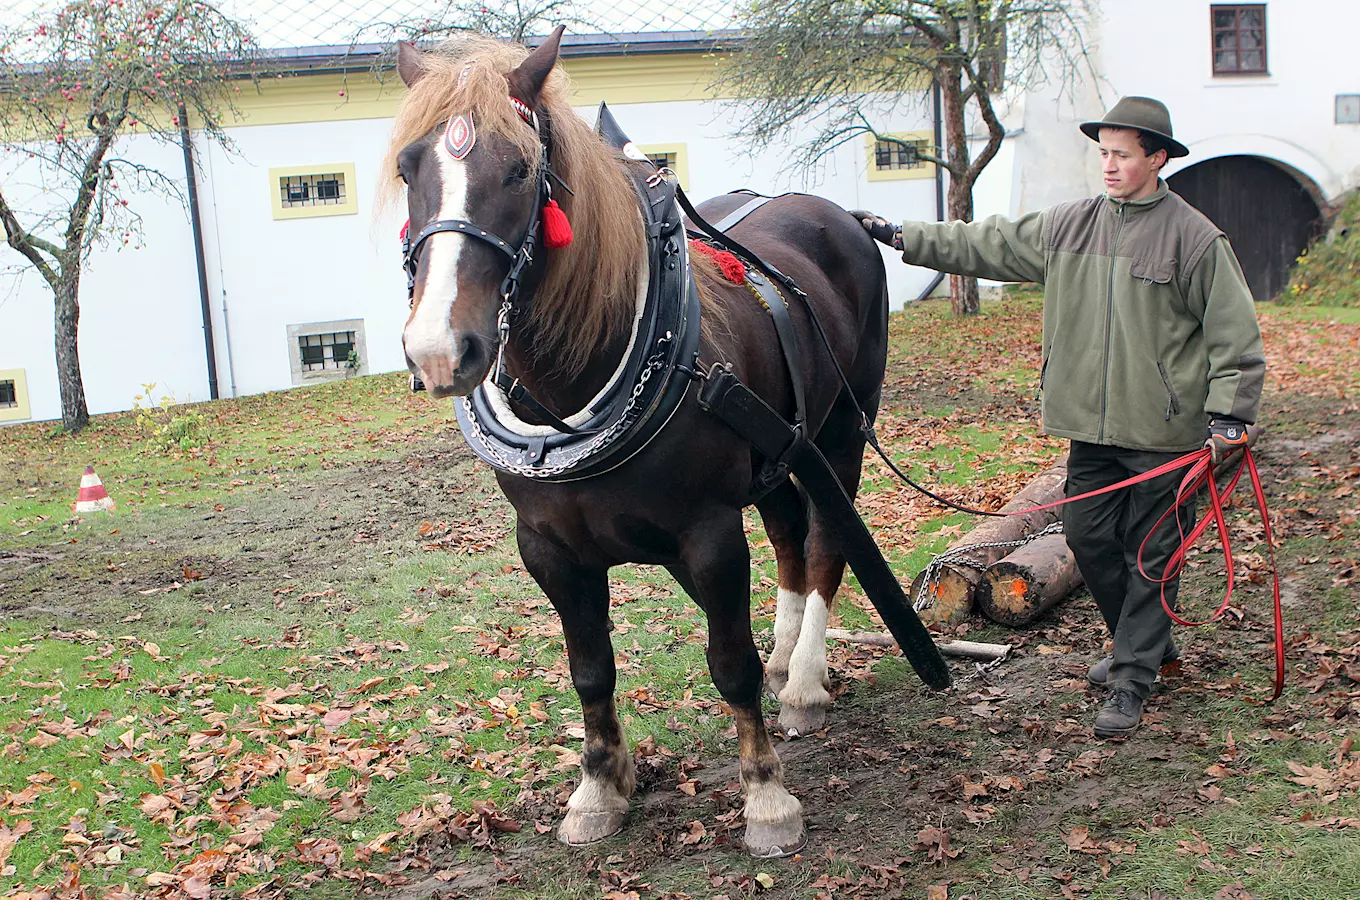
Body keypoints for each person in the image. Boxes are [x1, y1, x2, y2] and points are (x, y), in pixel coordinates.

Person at [851, 96, 1265, 739]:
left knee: (1153, 556)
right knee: (1089, 538)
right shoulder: (1071, 225)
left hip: (1166, 433)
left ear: (1156, 159)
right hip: (1090, 430)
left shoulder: (1195, 238)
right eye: (1103, 152)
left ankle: (1131, 678)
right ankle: (1146, 643)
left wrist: (1231, 418)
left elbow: (1234, 335)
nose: (1109, 164)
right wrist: (901, 235)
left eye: (1122, 154)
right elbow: (987, 243)